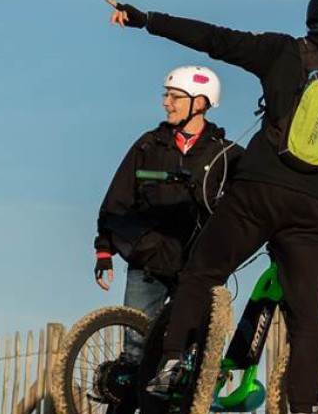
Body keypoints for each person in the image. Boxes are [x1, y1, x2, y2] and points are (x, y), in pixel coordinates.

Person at [104, 0, 318, 414]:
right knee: (305, 314)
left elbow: (214, 38)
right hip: (311, 210)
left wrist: (147, 19)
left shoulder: (282, 52)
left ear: (314, 19)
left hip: (255, 192)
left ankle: (173, 363)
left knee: (202, 273)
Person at [94, 65, 241, 364]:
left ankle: (174, 410)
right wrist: (104, 250)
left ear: (199, 103)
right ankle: (121, 410)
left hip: (197, 266)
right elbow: (118, 196)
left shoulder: (227, 154)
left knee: (191, 351)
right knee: (135, 350)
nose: (166, 103)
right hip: (148, 262)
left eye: (175, 96)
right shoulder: (149, 144)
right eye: (166, 95)